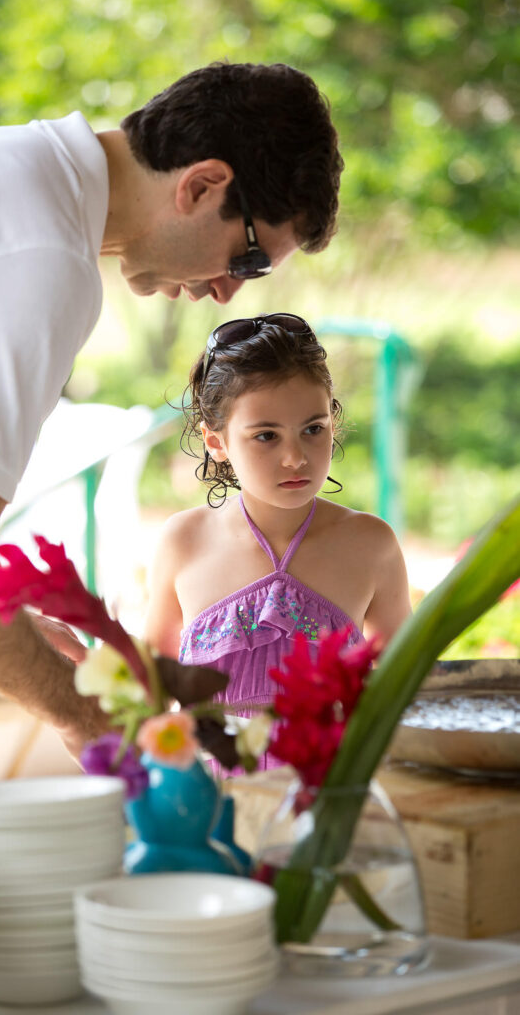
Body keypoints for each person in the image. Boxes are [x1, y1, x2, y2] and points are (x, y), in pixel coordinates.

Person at [0, 62, 343, 779]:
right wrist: (91, 725)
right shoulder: (42, 254)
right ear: (200, 185)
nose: (229, 290)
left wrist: (19, 635)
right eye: (249, 257)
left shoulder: (2, 172)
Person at [144, 313, 411, 767]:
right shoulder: (183, 542)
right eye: (265, 436)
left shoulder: (371, 546)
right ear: (217, 442)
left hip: (328, 809)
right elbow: (148, 696)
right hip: (209, 811)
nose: (295, 458)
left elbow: (403, 693)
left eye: (313, 429)